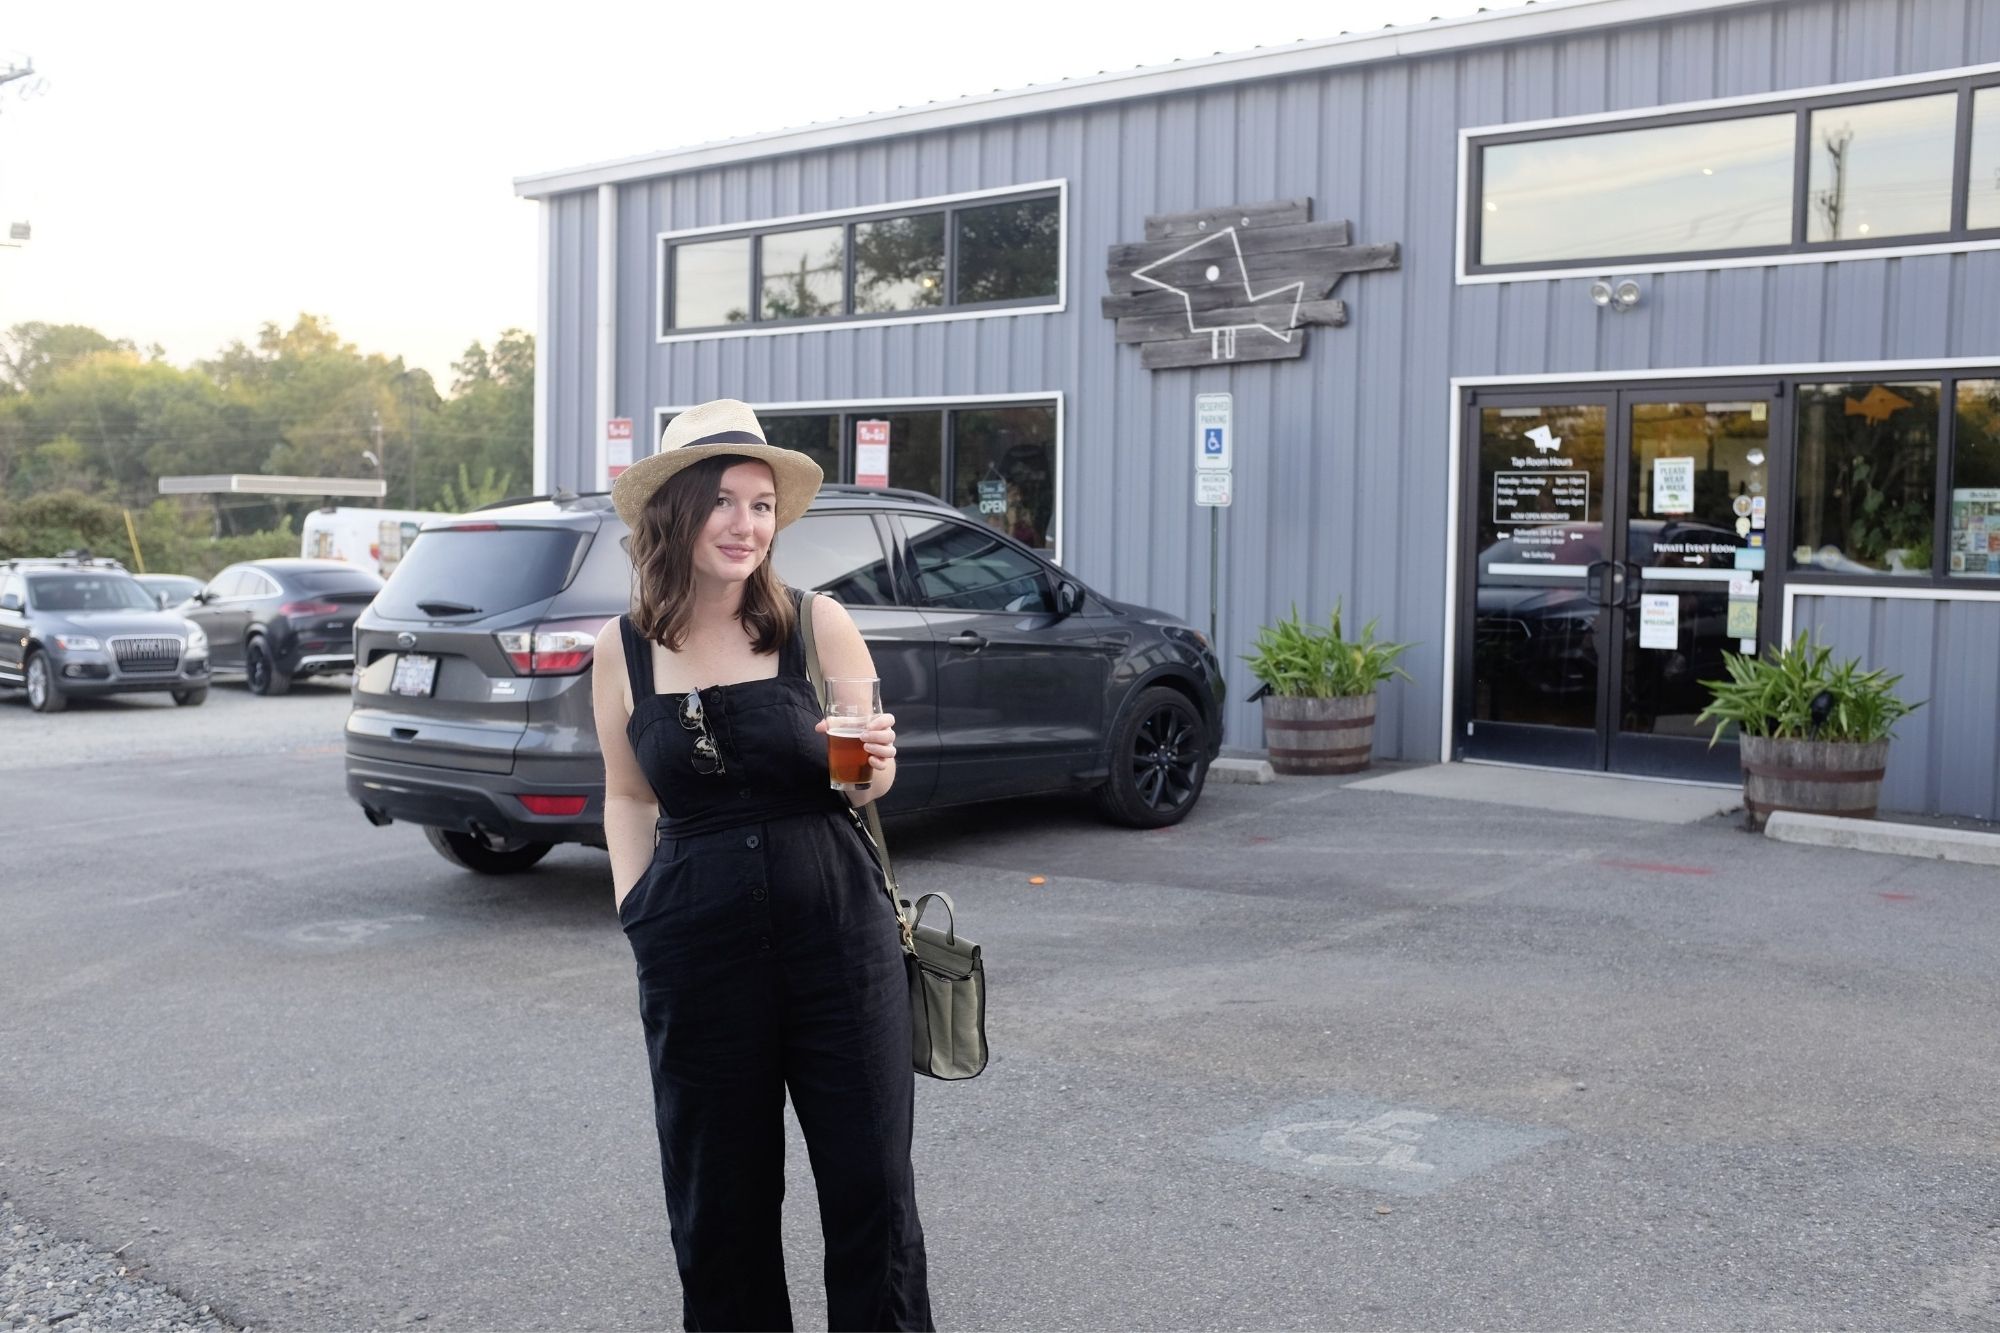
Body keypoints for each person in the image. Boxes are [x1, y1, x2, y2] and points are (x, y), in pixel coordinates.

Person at [592, 399, 933, 1332]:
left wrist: (872, 765)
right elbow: (628, 796)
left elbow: (859, 786)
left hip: (837, 937)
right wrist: (640, 912)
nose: (747, 524)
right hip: (695, 951)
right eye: (725, 502)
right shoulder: (620, 652)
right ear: (675, 512)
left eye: (762, 504)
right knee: (720, 1203)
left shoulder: (817, 624)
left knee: (872, 1192)